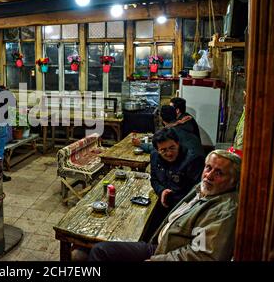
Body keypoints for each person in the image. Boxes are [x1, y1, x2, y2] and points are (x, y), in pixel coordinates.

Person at [89, 149, 240, 261]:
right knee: (101, 249)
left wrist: (156, 260)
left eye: (219, 173)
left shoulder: (224, 210)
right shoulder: (204, 188)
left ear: (233, 180)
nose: (209, 175)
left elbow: (201, 256)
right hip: (160, 245)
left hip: (164, 254)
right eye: (208, 168)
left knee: (101, 252)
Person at [132, 105, 204, 157]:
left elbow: (157, 149)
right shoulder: (185, 123)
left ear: (162, 120)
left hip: (190, 168)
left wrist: (140, 144)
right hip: (200, 163)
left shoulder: (171, 132)